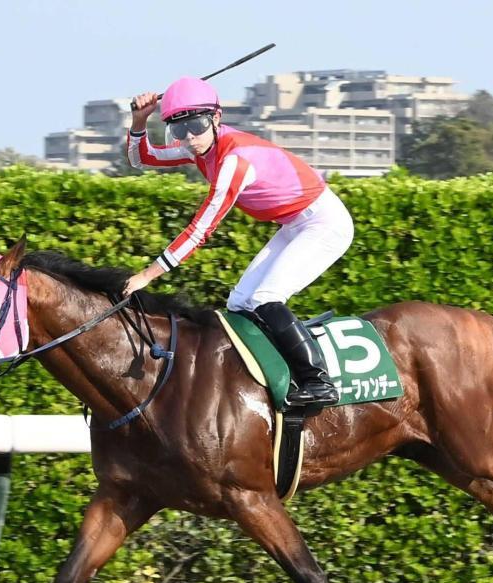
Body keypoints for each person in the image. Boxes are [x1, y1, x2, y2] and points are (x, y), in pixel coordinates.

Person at [123, 76, 354, 406]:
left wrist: (146, 275)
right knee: (239, 303)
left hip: (323, 222)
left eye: (197, 125)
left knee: (265, 297)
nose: (189, 138)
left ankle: (318, 382)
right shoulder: (200, 147)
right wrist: (139, 120)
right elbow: (140, 159)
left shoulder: (235, 159)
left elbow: (201, 229)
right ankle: (263, 375)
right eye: (179, 129)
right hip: (294, 223)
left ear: (217, 118)